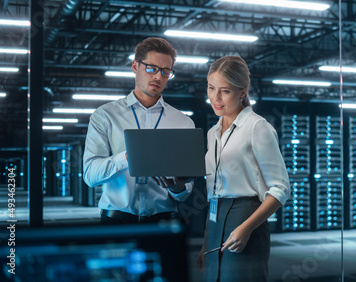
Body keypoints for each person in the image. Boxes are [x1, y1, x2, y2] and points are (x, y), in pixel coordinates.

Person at [197, 56, 291, 281]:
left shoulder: (257, 127)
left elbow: (280, 189)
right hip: (214, 219)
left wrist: (246, 227)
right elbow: (214, 192)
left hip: (247, 216)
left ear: (242, 91)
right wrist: (206, 242)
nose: (215, 98)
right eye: (211, 88)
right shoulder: (213, 133)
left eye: (225, 91)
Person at [83, 37, 194, 224]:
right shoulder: (105, 116)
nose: (158, 76)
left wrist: (178, 187)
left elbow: (184, 194)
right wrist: (129, 157)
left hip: (164, 224)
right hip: (116, 224)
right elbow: (90, 176)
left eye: (166, 72)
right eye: (151, 68)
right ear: (135, 66)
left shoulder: (183, 122)